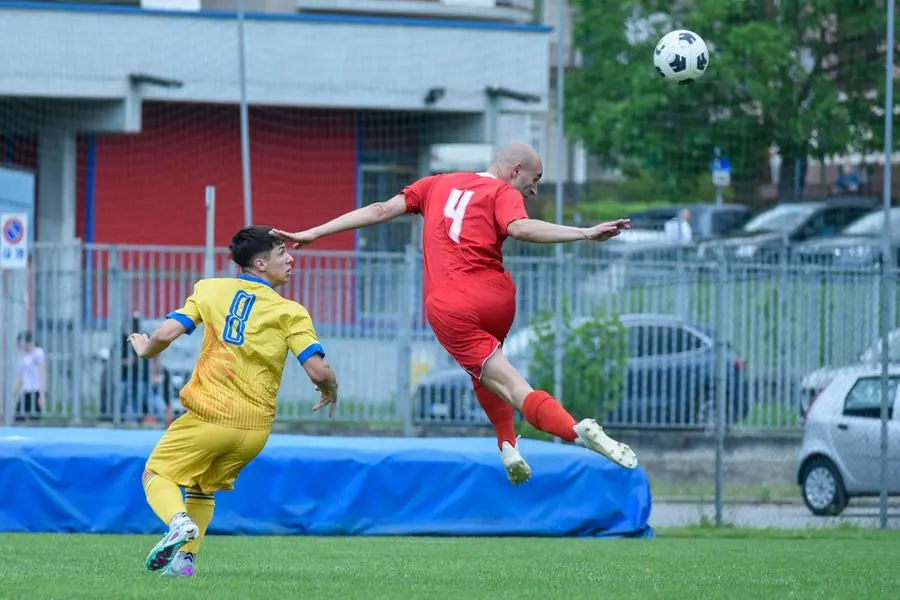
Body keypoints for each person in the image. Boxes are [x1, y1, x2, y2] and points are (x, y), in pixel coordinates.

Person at [271, 140, 638, 487]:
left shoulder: (435, 184)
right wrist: (584, 234)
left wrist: (315, 232)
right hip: (498, 296)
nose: (535, 190)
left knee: (511, 385)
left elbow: (381, 210)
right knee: (487, 367)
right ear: (515, 170)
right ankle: (507, 444)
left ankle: (576, 431)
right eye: (535, 180)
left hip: (452, 306)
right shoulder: (502, 193)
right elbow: (518, 226)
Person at [128, 226, 338, 577]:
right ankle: (184, 564)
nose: (291, 259)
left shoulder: (210, 289)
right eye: (281, 253)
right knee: (201, 486)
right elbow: (318, 371)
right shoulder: (292, 312)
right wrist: (331, 388)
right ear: (259, 263)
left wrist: (145, 349)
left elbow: (166, 332)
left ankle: (178, 524)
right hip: (254, 431)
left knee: (155, 473)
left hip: (210, 417)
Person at [13, 331, 45, 422]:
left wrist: (41, 394)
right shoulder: (22, 357)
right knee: (18, 418)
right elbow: (20, 376)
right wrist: (14, 391)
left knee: (34, 419)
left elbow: (41, 373)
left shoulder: (37, 353)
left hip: (35, 391)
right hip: (25, 391)